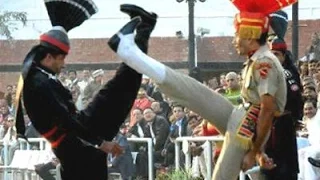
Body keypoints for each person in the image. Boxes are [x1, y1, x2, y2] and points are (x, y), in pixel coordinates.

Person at [107, 0, 298, 178]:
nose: (234, 40)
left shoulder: (265, 63)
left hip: (247, 127)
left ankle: (130, 52)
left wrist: (255, 151)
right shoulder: (257, 59)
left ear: (250, 36)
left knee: (222, 175)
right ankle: (130, 53)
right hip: (243, 115)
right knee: (192, 91)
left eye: (237, 34)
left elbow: (267, 110)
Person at [15, 2, 158, 180]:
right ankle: (142, 31)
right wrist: (100, 142)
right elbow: (65, 119)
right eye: (61, 59)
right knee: (121, 89)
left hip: (74, 143)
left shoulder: (38, 77)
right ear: (49, 57)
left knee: (121, 88)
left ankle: (143, 29)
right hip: (77, 141)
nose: (64, 64)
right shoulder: (38, 82)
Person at [260, 10, 301, 180]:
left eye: (276, 54)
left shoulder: (288, 73)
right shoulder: (264, 70)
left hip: (282, 124)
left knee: (284, 170)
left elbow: (295, 98)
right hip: (267, 125)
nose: (273, 57)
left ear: (283, 56)